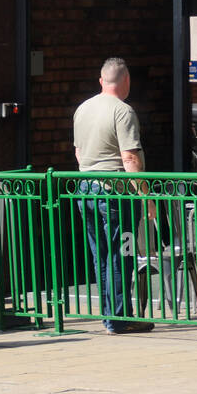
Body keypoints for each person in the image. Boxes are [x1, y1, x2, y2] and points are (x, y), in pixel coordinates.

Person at [73, 57, 153, 335]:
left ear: (101, 81)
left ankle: (110, 316)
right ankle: (120, 319)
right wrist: (146, 197)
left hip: (86, 189)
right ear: (126, 80)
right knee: (122, 255)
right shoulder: (123, 111)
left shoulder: (83, 109)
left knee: (101, 256)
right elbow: (129, 158)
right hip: (117, 194)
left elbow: (79, 153)